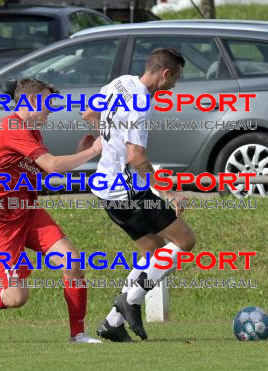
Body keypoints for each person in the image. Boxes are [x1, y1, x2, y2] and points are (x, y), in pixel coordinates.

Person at [0, 78, 103, 344]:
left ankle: (78, 333)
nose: (51, 110)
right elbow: (52, 166)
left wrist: (78, 154)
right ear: (32, 101)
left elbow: (43, 170)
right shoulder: (14, 128)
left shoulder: (31, 128)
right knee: (16, 297)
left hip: (26, 211)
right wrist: (92, 151)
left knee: (72, 262)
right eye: (48, 103)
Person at [83, 48, 196, 342]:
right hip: (128, 190)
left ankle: (112, 323)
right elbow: (135, 157)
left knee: (155, 255)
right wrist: (169, 193)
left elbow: (89, 112)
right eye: (176, 79)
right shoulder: (142, 102)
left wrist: (108, 142)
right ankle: (129, 300)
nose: (174, 86)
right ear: (165, 73)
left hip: (106, 191)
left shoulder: (120, 83)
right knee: (184, 241)